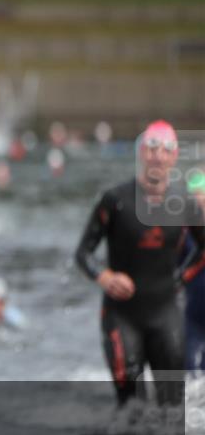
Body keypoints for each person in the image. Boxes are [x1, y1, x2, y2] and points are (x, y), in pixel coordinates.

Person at [74, 120, 204, 406]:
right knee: (130, 408)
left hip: (166, 315)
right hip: (122, 317)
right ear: (141, 153)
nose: (158, 154)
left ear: (174, 157)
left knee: (173, 409)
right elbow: (83, 253)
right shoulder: (115, 201)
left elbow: (202, 251)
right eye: (152, 147)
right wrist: (105, 277)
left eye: (166, 149)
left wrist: (180, 279)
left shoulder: (185, 204)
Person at [184, 170, 205, 370]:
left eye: (202, 194)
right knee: (190, 372)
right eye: (195, 195)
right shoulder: (184, 231)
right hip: (192, 314)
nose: (199, 201)